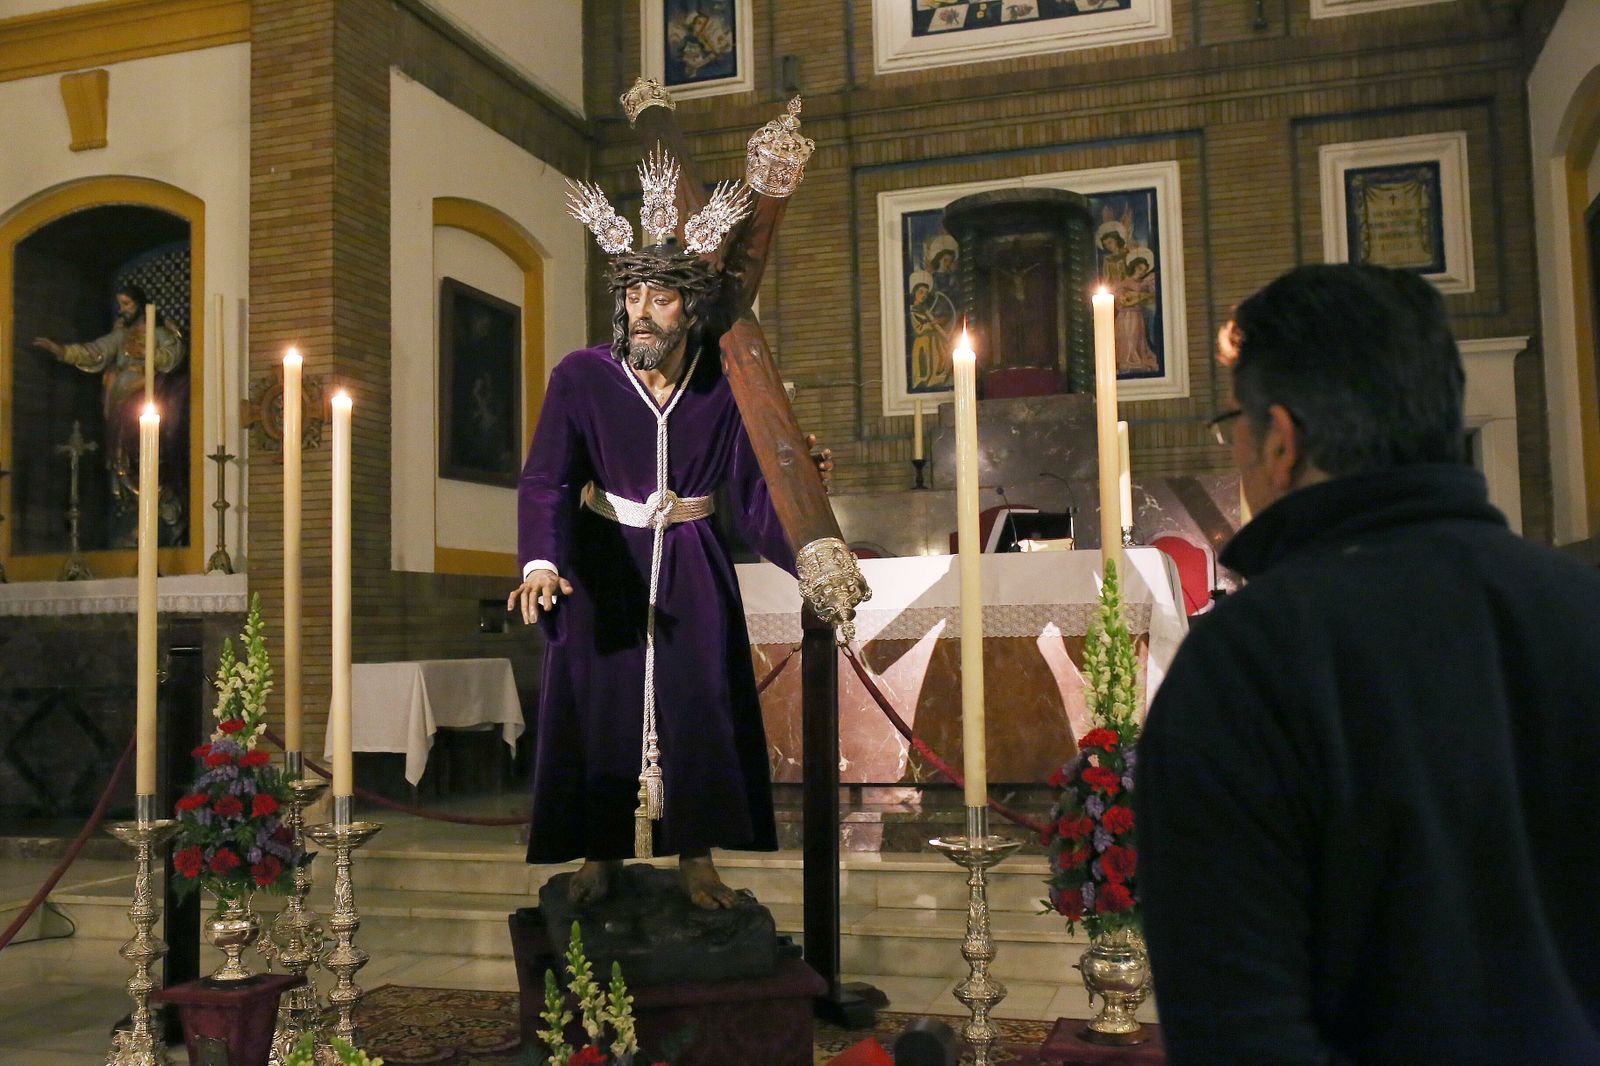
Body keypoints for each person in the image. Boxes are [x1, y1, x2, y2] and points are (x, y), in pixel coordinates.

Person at [1137, 263, 1600, 1063]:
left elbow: (1241, 1036)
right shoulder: (1584, 606)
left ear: (1282, 442)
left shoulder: (1247, 662)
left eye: (1234, 426)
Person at [509, 156, 815, 910]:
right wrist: (542, 560)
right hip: (602, 563)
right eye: (633, 295)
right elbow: (547, 477)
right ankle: (599, 853)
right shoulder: (581, 376)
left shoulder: (724, 382)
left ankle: (697, 859)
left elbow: (753, 491)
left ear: (690, 307)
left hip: (693, 565)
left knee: (700, 707)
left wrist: (807, 534)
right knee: (598, 705)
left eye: (662, 297)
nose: (643, 311)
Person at [33, 283, 188, 542]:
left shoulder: (158, 333)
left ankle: (166, 516)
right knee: (122, 462)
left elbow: (175, 354)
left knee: (148, 459)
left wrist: (148, 353)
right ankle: (139, 517)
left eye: (127, 304)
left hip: (146, 406)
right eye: (120, 304)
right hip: (120, 410)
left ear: (140, 305)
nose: (122, 309)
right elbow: (94, 352)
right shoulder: (120, 337)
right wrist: (60, 350)